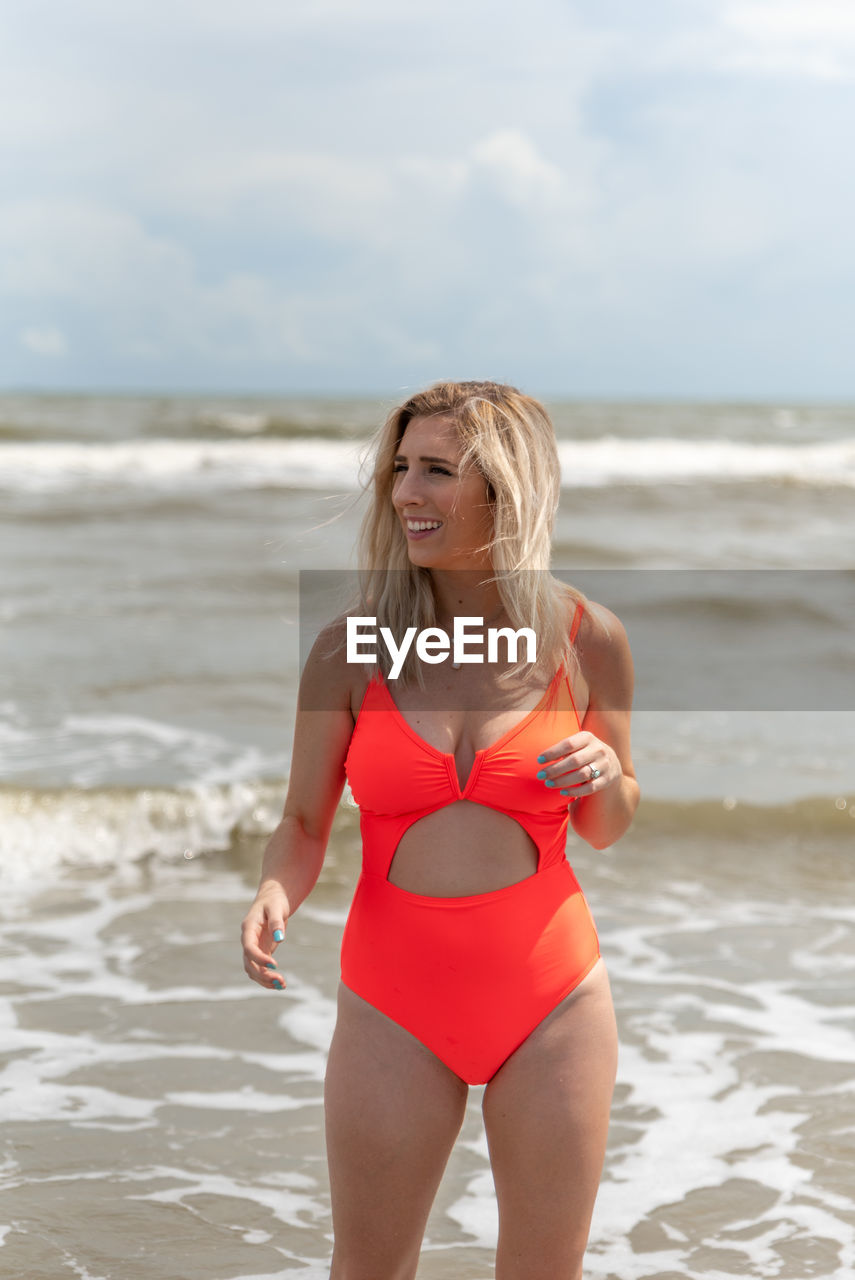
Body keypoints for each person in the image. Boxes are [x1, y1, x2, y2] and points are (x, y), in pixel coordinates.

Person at [241, 380, 639, 1280]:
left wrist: (608, 774)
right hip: (392, 1006)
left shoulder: (588, 640)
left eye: (436, 471)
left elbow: (608, 826)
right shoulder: (351, 649)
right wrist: (274, 888)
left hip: (553, 1002)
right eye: (400, 469)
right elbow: (303, 822)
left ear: (507, 489)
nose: (405, 493)